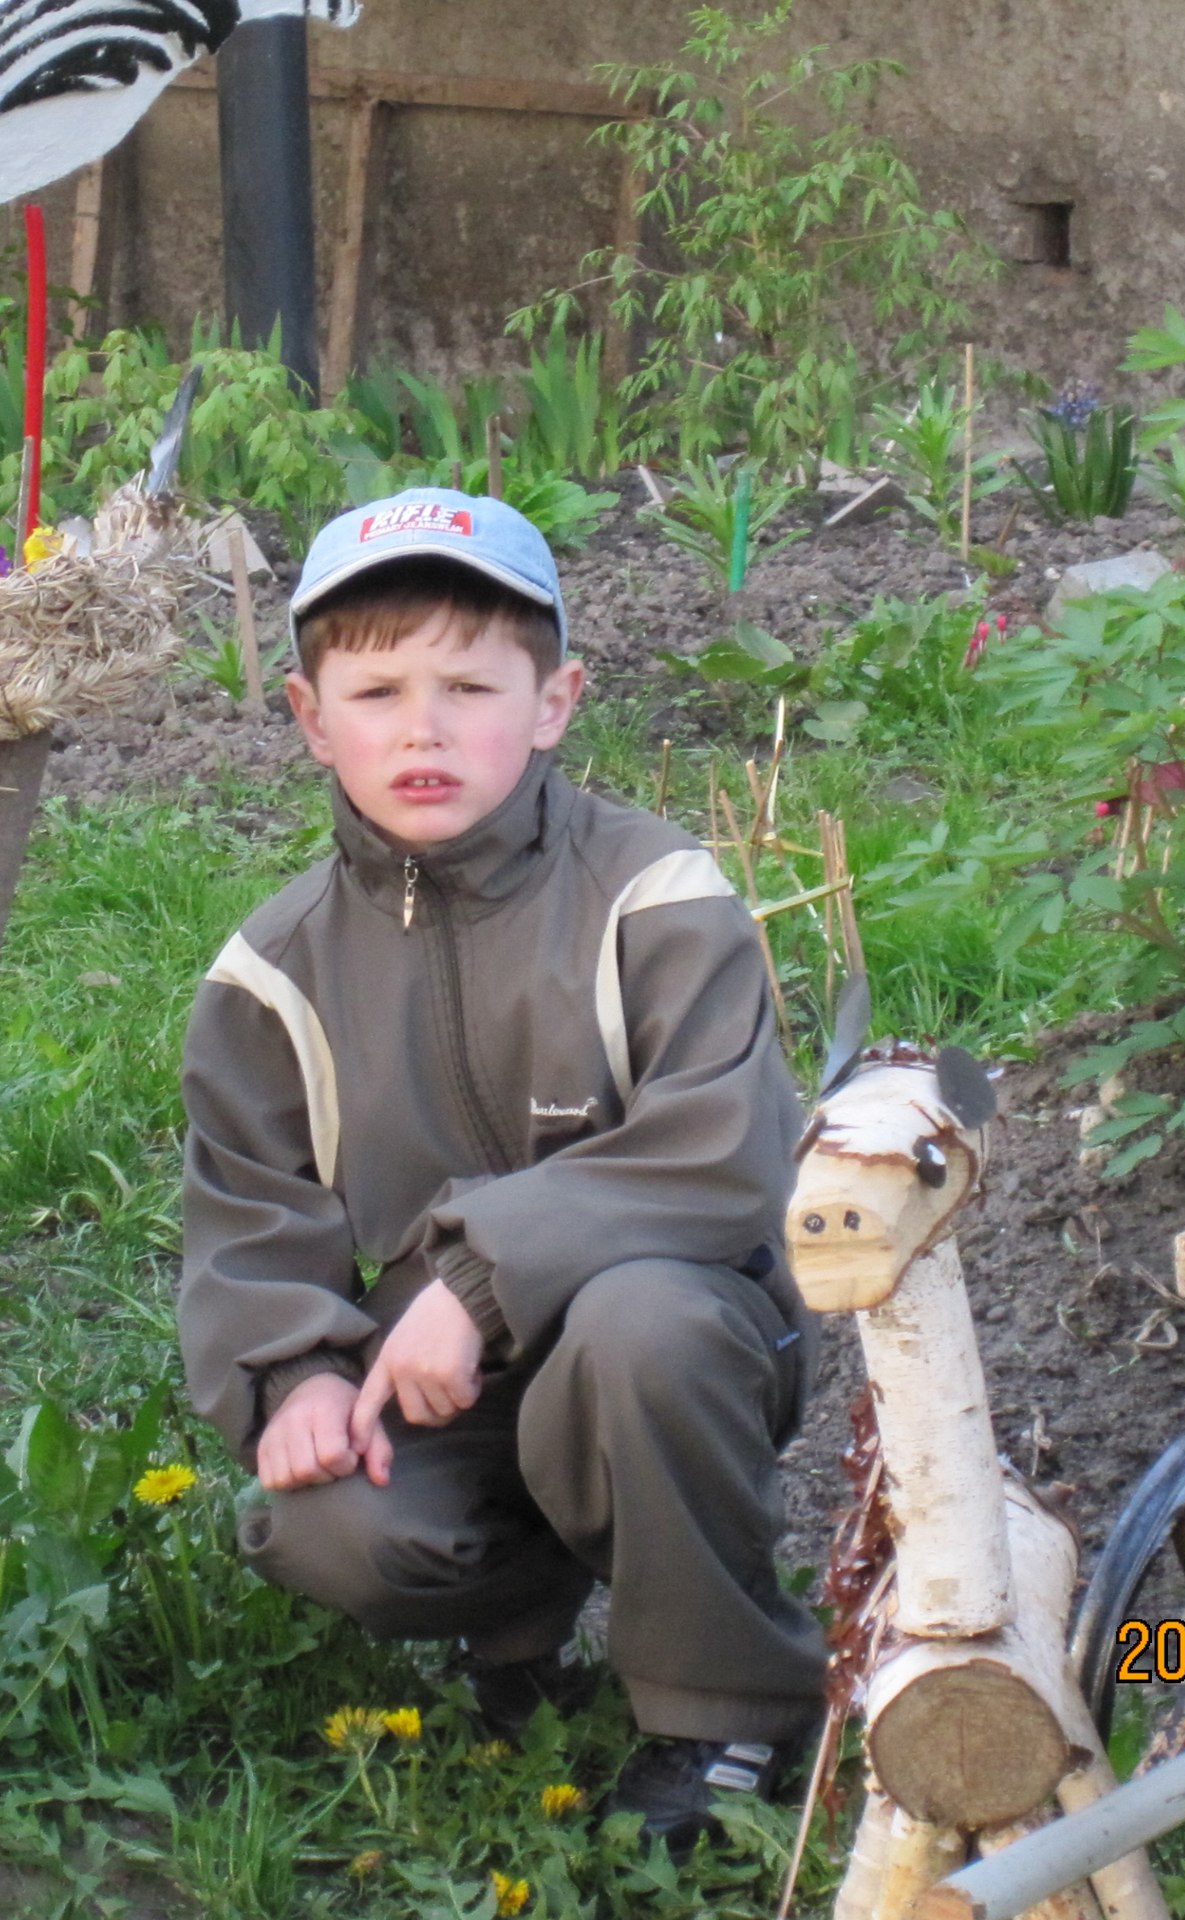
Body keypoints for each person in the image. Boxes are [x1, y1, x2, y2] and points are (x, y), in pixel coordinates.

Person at [175, 486, 826, 1851]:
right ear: (310, 717)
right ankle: (523, 1630)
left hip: (684, 1336)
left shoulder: (656, 895)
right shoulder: (268, 976)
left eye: (470, 686)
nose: (422, 728)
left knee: (642, 1330)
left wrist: (478, 1284)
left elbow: (724, 1152)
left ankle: (726, 1705)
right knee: (325, 1522)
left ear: (553, 703)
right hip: (439, 1380)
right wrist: (293, 1371)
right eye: (377, 692)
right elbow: (250, 1221)